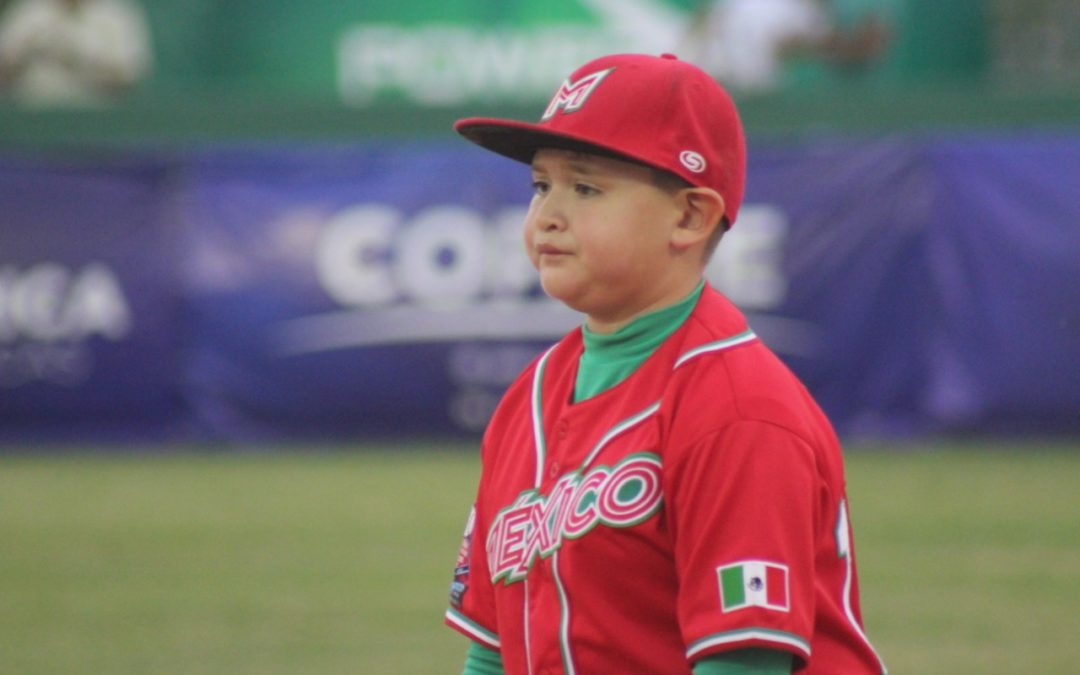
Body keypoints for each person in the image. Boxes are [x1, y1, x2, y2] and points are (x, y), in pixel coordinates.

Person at [444, 53, 886, 674]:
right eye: (541, 185)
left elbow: (744, 664)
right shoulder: (529, 399)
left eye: (587, 187)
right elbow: (492, 653)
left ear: (689, 216)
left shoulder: (737, 409)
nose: (547, 214)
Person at [682, 0, 890, 92]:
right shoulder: (805, 13)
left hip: (744, 93)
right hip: (712, 82)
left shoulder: (809, 14)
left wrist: (857, 46)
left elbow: (807, 43)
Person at [0, 0, 152, 107]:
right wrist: (28, 53)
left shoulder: (116, 14)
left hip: (97, 123)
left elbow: (128, 76)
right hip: (29, 122)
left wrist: (80, 58)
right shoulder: (27, 12)